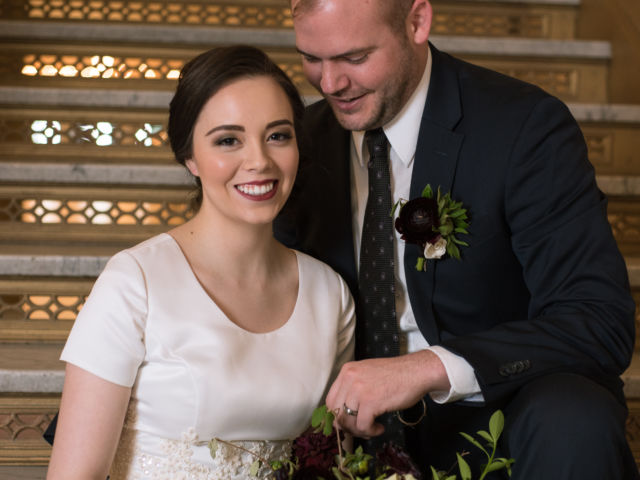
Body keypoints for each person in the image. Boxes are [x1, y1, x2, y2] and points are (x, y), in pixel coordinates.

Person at [273, 0, 638, 477]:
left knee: (574, 416)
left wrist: (427, 368)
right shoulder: (298, 143)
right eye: (311, 58)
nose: (329, 84)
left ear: (417, 22)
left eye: (355, 58)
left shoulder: (523, 126)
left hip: (497, 416)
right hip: (348, 430)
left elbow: (597, 321)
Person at [46, 45, 355, 479]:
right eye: (228, 140)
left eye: (278, 135)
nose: (259, 161)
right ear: (189, 156)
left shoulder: (329, 294)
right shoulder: (136, 281)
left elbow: (332, 456)